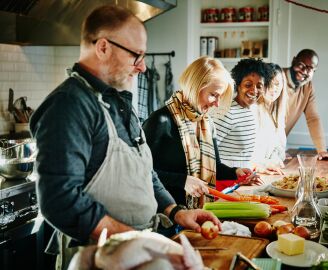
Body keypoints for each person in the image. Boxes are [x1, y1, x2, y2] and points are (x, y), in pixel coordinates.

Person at [29, 5, 220, 269]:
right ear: (103, 47)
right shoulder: (69, 105)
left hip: (138, 249)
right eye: (136, 55)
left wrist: (175, 211)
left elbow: (143, 171)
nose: (142, 67)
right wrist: (132, 238)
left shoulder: (119, 99)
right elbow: (59, 200)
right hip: (98, 257)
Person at [143, 56, 261, 209]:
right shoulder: (160, 121)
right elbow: (141, 172)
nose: (216, 103)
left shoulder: (206, 122)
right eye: (214, 95)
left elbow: (215, 167)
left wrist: (235, 172)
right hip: (166, 214)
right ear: (195, 86)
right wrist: (183, 180)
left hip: (198, 212)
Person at [282, 49, 328, 162]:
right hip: (255, 145)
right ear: (294, 61)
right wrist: (271, 149)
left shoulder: (308, 87)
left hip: (274, 147)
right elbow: (264, 116)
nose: (304, 71)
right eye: (301, 65)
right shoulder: (277, 78)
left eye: (310, 68)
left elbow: (313, 118)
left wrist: (322, 150)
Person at [213, 58, 267, 168]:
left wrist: (260, 167)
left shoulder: (251, 110)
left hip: (242, 178)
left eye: (259, 86)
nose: (254, 90)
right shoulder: (227, 113)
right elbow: (207, 152)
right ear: (238, 85)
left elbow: (244, 155)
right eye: (248, 85)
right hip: (226, 180)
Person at [252, 63, 288, 174]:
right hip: (251, 172)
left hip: (267, 171)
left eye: (277, 84)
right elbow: (246, 155)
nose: (273, 88)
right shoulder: (252, 109)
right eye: (268, 84)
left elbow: (279, 150)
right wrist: (266, 164)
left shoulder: (277, 113)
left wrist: (274, 160)